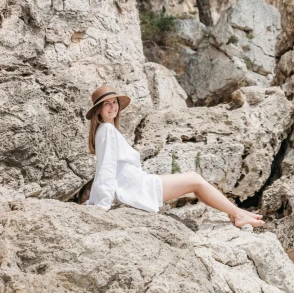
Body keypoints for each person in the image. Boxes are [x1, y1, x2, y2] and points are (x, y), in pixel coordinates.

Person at [84, 84, 264, 227]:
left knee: (194, 181)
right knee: (195, 180)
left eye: (114, 102)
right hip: (134, 188)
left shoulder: (106, 130)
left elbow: (104, 168)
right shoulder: (107, 129)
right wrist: (102, 204)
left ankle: (238, 212)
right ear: (98, 109)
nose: (112, 106)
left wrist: (96, 200)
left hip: (136, 184)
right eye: (107, 103)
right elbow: (106, 167)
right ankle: (238, 214)